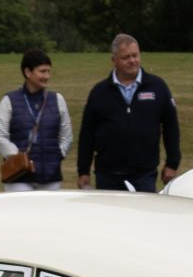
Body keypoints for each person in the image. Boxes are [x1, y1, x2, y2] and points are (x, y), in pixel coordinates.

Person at [76, 34, 181, 192]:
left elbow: (171, 127)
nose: (132, 61)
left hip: (144, 175)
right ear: (114, 60)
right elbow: (87, 134)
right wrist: (83, 171)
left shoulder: (157, 87)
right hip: (108, 176)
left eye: (135, 55)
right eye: (126, 57)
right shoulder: (99, 92)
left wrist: (172, 163)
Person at [0, 50, 74, 190]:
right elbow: (0, 136)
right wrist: (19, 158)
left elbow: (67, 136)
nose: (47, 76)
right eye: (42, 71)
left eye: (48, 71)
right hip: (19, 177)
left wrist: (57, 156)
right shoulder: (9, 101)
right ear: (28, 72)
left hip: (51, 178)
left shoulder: (58, 100)